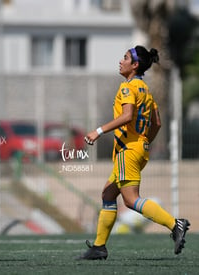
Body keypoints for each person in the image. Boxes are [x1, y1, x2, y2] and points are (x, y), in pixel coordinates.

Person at [78, 46, 190, 260]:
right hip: (138, 149)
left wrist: (98, 131)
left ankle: (175, 224)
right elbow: (157, 122)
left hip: (127, 151)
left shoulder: (128, 88)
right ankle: (99, 247)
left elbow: (127, 115)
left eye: (126, 58)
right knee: (108, 195)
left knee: (131, 200)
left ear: (135, 65)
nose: (121, 61)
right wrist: (144, 141)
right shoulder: (145, 89)